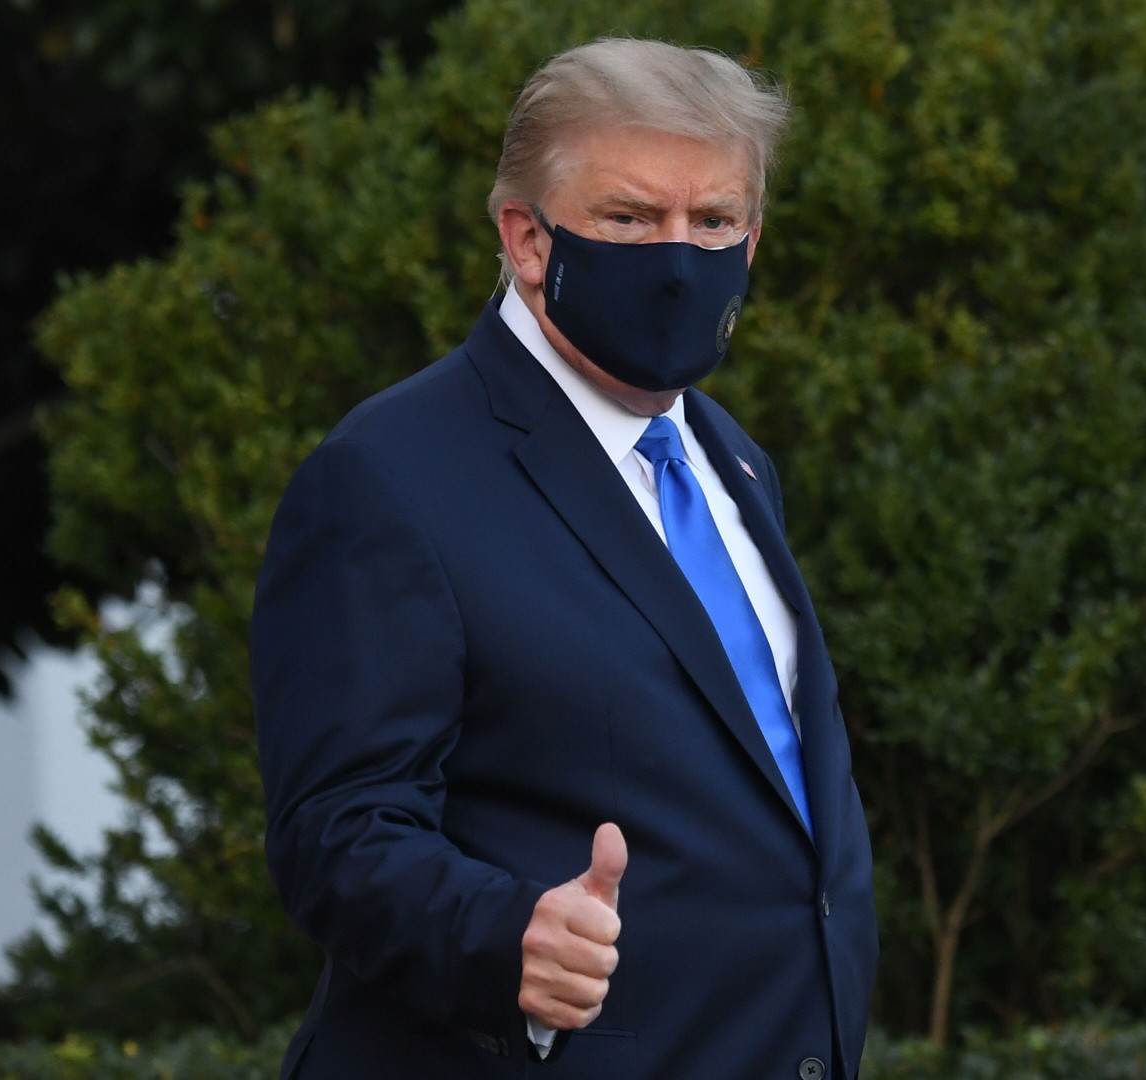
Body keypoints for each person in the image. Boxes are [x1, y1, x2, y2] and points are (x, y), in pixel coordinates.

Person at [251, 37, 877, 1079]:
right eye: (630, 219)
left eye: (713, 221)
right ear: (526, 237)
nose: (681, 257)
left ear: (752, 240)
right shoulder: (390, 473)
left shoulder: (733, 461)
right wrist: (506, 941)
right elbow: (334, 830)